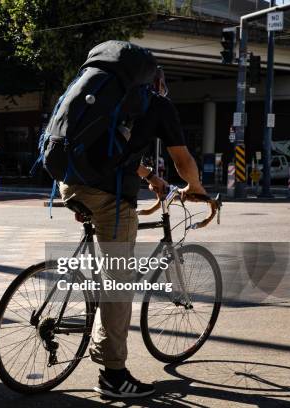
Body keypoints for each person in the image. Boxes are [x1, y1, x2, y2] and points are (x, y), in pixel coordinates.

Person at [58, 66, 207, 399]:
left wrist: (150, 177)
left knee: (109, 270)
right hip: (105, 193)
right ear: (159, 84)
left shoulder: (108, 98)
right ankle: (113, 376)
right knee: (119, 283)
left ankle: (95, 318)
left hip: (68, 182)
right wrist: (195, 187)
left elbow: (116, 150)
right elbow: (182, 160)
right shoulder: (158, 105)